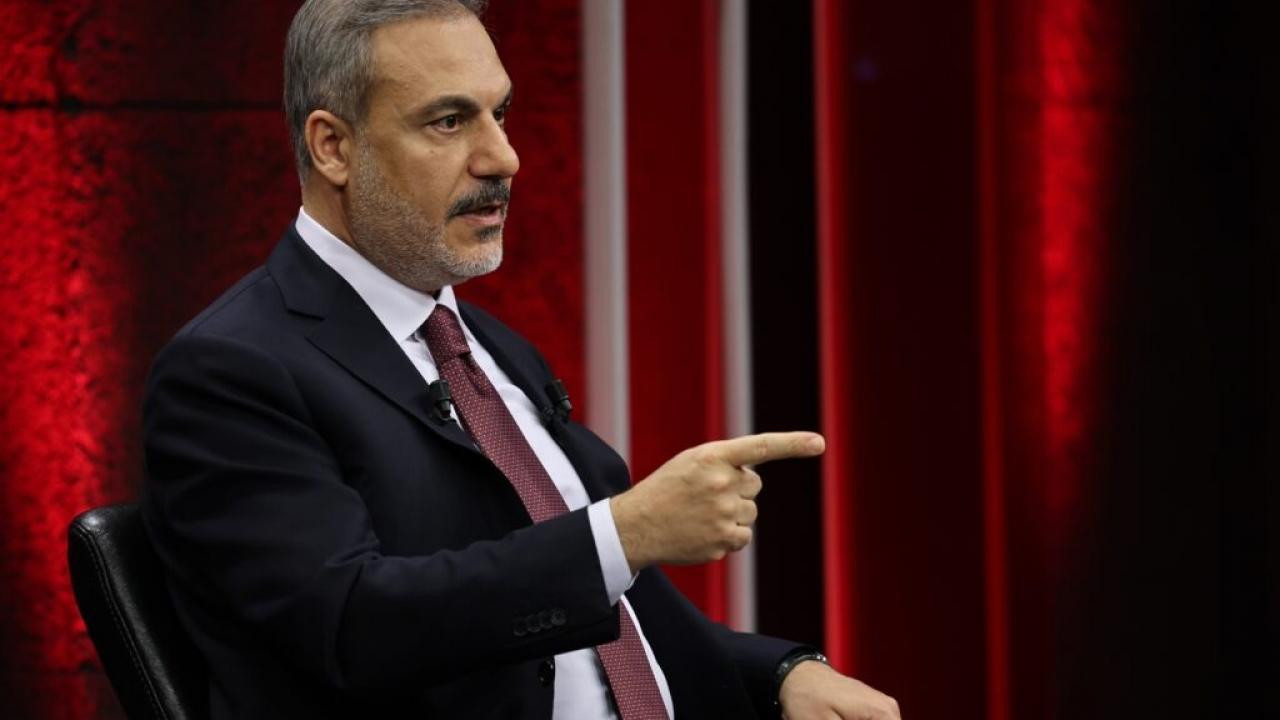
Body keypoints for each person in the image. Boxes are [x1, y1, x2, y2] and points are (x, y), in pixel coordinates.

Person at [141, 1, 902, 718]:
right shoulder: (230, 372)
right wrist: (625, 532)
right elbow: (352, 626)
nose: (503, 157)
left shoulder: (488, 345)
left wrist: (781, 675)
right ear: (333, 146)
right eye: (448, 122)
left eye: (499, 113)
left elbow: (612, 616)